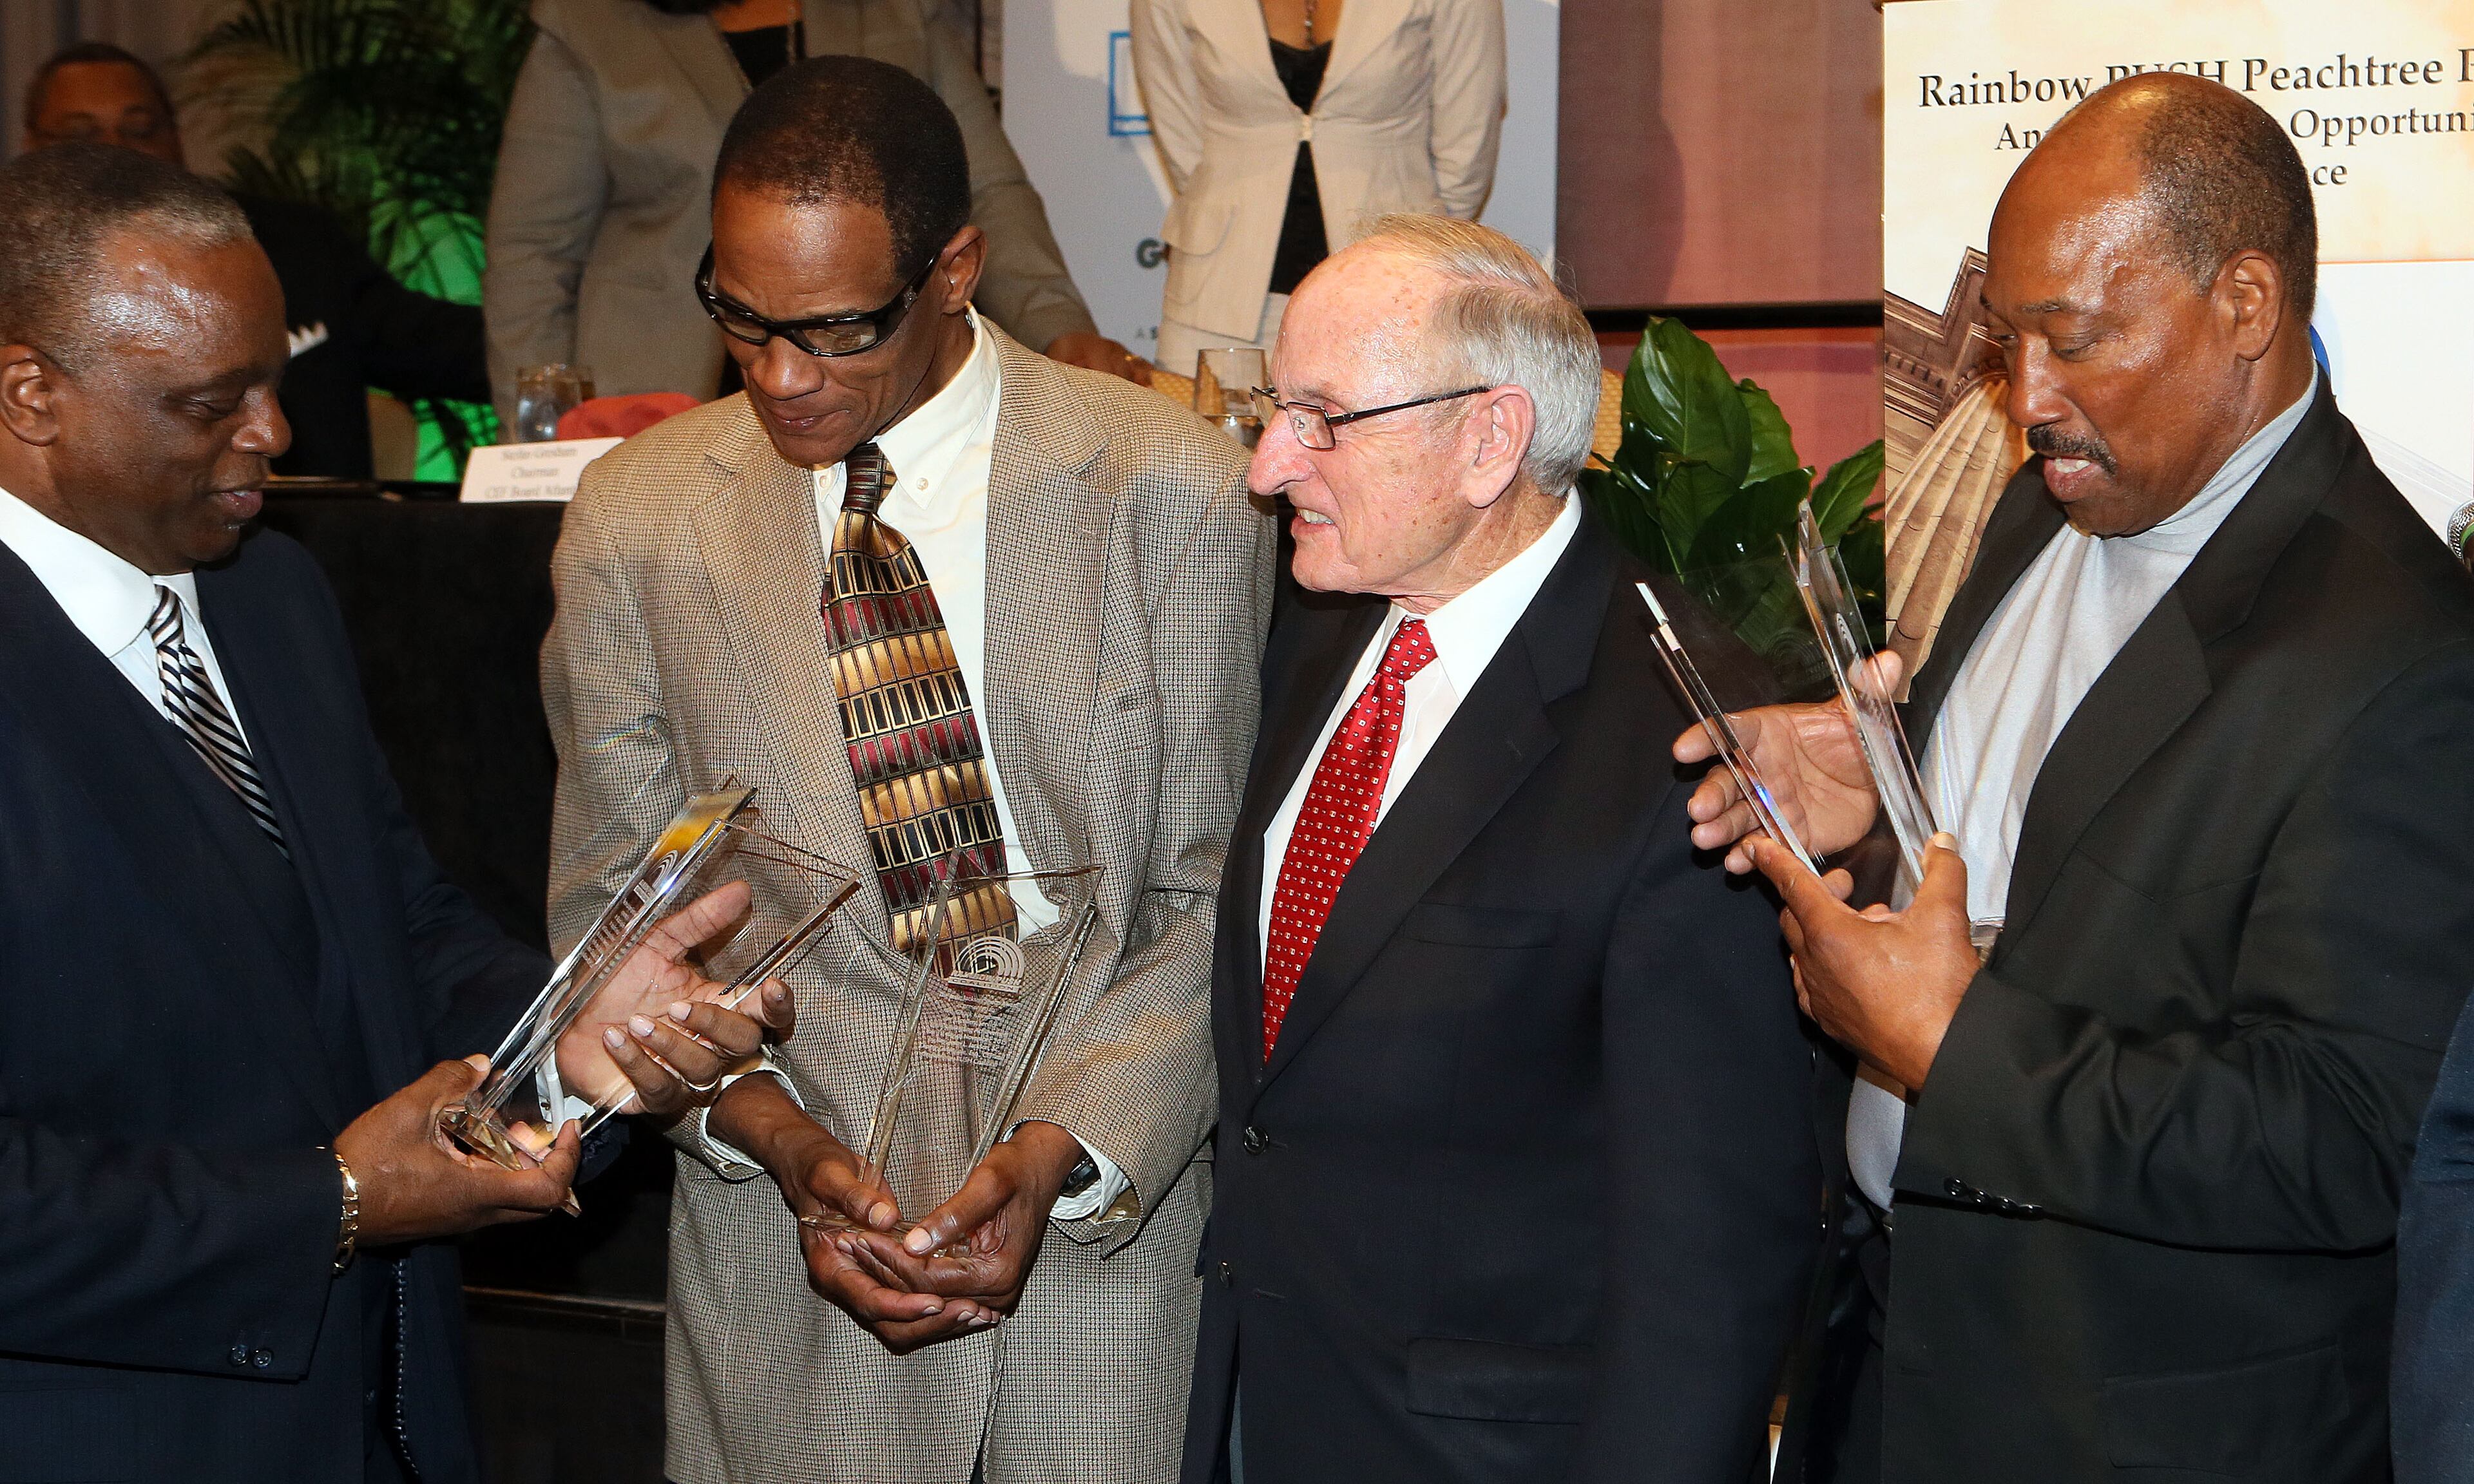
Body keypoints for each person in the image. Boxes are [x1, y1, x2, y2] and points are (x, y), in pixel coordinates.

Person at [1674, 75, 2474, 1484]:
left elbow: (2346, 1140)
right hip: (1892, 1363)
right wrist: (1881, 810)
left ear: (2246, 304)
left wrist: (1954, 1049)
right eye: (2007, 343)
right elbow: (2039, 855)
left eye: (2076, 341)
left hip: (2129, 1427)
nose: (2027, 400)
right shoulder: (2062, 493)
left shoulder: (2403, 655)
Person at [0, 140, 789, 1483]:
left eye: (271, 377)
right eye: (212, 401)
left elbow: (390, 927)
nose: (275, 431)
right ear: (32, 395)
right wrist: (340, 1204)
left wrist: (577, 1037)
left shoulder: (275, 597)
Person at [539, 55, 1269, 1483]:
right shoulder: (638, 523)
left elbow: (1209, 899)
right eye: (738, 322)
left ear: (956, 270)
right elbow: (616, 928)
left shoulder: (1165, 487)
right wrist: (775, 1138)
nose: (780, 376)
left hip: (1099, 1227)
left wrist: (1068, 1148)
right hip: (776, 1231)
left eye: (833, 329)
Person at [1179, 214, 1817, 1484]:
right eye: (1272, 408)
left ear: (1488, 440)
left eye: (1321, 418)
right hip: (1260, 1413)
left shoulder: (1692, 742)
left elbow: (1711, 1265)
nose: (1266, 465)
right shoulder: (1314, 632)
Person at [485, 0, 1151, 431]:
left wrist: (1060, 328)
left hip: (869, 395)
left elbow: (988, 190)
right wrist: (541, 436)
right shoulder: (587, 27)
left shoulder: (898, 17)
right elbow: (532, 254)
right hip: (649, 408)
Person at [22, 43, 493, 480]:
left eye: (140, 129)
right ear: (32, 145)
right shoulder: (13, 265)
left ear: (175, 136)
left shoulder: (290, 244)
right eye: (80, 134)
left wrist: (558, 356)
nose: (115, 149)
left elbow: (444, 346)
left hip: (298, 539)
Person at [1131, 0, 1504, 378]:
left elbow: (1467, 150)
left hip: (1395, 301)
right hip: (1217, 301)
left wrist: (1418, 251)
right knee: (1194, 438)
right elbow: (1180, 139)